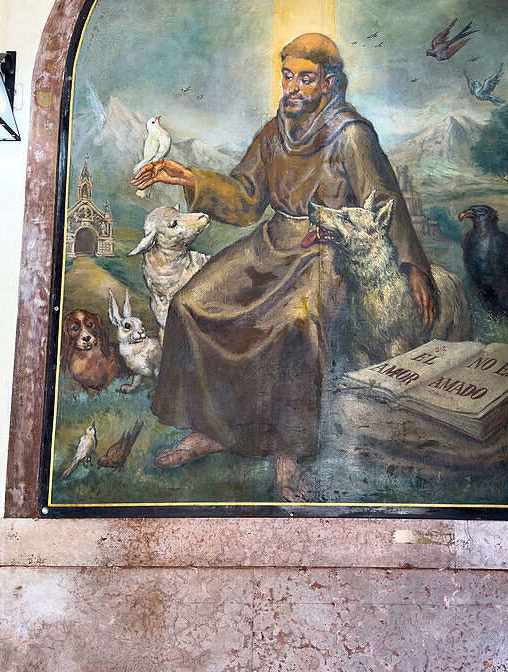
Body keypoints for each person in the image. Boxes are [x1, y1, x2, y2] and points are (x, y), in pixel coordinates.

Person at [131, 33, 435, 498]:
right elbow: (247, 199)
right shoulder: (274, 132)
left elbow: (383, 201)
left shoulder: (351, 135)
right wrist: (189, 177)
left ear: (329, 84)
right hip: (271, 242)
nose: (292, 88)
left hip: (325, 251)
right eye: (287, 76)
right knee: (191, 304)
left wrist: (414, 267)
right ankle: (209, 429)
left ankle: (287, 453)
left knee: (293, 324)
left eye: (305, 79)